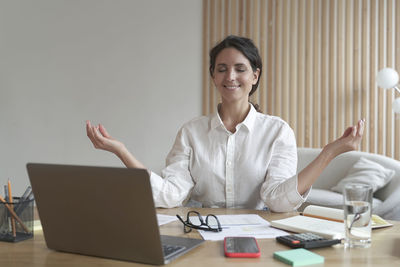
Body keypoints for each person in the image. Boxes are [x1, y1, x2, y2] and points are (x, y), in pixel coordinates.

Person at [86, 35, 364, 212]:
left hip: (260, 237)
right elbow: (170, 195)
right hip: (202, 232)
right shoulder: (191, 132)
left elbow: (278, 201)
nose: (230, 76)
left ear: (255, 76)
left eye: (240, 69)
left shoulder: (277, 131)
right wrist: (121, 151)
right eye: (222, 69)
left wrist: (329, 152)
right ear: (213, 76)